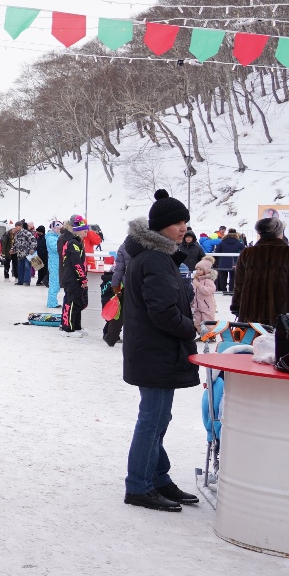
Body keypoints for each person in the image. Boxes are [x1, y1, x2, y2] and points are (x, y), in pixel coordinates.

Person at [121, 189, 200, 512]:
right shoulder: (154, 259)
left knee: (159, 418)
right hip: (155, 351)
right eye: (177, 223)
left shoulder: (158, 256)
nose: (183, 228)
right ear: (160, 227)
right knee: (152, 420)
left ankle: (157, 476)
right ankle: (138, 485)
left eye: (185, 222)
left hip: (155, 351)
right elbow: (163, 312)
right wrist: (191, 327)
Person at [230, 216, 289, 327]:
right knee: (277, 343)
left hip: (250, 313)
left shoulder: (247, 253)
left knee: (250, 342)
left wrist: (236, 306)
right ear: (280, 233)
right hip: (280, 314)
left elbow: (239, 284)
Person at [59, 215, 90, 337]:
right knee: (71, 302)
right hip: (73, 278)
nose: (86, 231)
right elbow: (76, 263)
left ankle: (76, 326)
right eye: (84, 229)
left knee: (77, 302)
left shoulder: (77, 242)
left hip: (74, 277)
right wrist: (82, 278)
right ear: (77, 230)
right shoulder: (73, 243)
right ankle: (68, 328)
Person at [104, 241, 131, 347]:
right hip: (144, 286)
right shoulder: (150, 244)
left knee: (119, 314)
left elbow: (119, 269)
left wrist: (115, 286)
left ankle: (111, 337)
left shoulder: (124, 246)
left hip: (127, 285)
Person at [214, 229, 244, 294]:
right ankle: (231, 291)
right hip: (234, 261)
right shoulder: (238, 243)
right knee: (233, 277)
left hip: (223, 261)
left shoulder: (222, 242)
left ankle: (224, 291)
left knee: (223, 277)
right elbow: (244, 250)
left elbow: (216, 252)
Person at [191, 255, 218, 323]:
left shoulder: (208, 280)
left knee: (208, 324)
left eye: (200, 269)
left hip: (207, 307)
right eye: (197, 269)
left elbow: (208, 291)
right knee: (197, 323)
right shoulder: (197, 280)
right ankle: (200, 332)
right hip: (197, 307)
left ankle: (209, 333)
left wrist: (199, 285)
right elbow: (195, 293)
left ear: (206, 270)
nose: (198, 271)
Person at [13, 220, 37, 285]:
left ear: (20, 226)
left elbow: (33, 241)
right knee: (20, 268)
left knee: (27, 267)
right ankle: (20, 281)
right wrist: (13, 249)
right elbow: (16, 244)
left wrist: (32, 249)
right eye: (15, 226)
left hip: (27, 253)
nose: (15, 227)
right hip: (20, 254)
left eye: (16, 226)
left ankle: (27, 281)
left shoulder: (27, 233)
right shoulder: (16, 234)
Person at [45, 221, 62, 308]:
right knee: (54, 283)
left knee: (56, 283)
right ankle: (52, 302)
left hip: (57, 262)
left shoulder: (56, 237)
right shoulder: (51, 238)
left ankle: (53, 301)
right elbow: (57, 248)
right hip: (54, 263)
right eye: (58, 228)